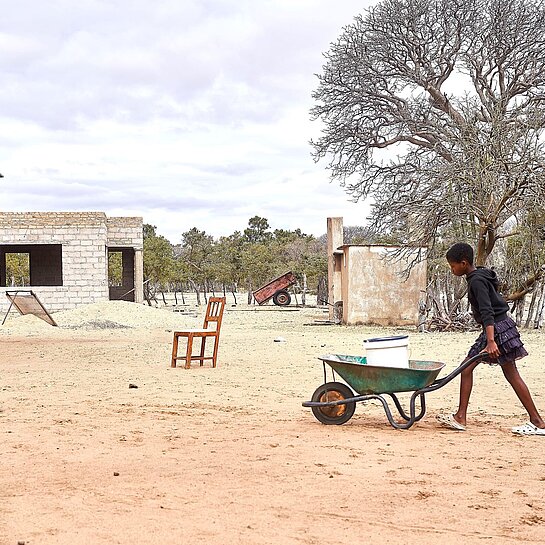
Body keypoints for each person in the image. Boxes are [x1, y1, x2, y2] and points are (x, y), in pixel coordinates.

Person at [437, 242, 545, 436]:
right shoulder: (480, 275)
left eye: (453, 266)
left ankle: (536, 421)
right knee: (502, 373)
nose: (452, 270)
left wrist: (491, 341)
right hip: (499, 326)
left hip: (496, 329)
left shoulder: (476, 281)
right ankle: (536, 420)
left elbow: (487, 311)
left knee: (472, 368)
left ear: (463, 263)